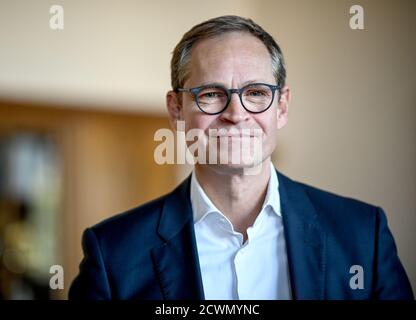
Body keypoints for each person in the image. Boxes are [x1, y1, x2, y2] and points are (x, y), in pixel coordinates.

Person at [69, 15, 413, 300]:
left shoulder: (363, 236)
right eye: (212, 94)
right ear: (176, 110)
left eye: (256, 92)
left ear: (282, 107)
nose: (236, 113)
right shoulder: (113, 254)